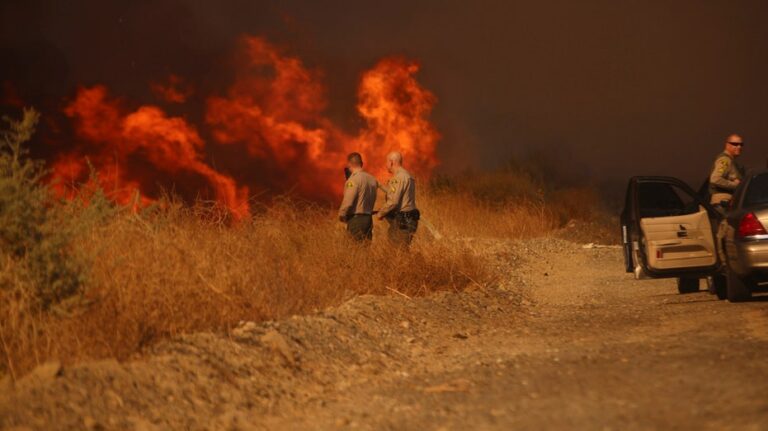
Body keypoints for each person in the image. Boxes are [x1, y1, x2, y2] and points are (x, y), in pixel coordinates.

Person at [377, 151, 420, 246]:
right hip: (410, 220)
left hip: (402, 223)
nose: (386, 165)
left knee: (397, 252)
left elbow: (393, 201)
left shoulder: (398, 178)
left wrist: (381, 213)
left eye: (387, 162)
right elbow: (397, 194)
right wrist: (380, 185)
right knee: (402, 250)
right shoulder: (407, 175)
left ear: (392, 162)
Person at [338, 152, 378, 241]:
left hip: (356, 221)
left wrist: (341, 215)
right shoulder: (372, 179)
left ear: (349, 164)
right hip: (368, 220)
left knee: (353, 250)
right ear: (362, 164)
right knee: (365, 249)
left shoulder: (353, 180)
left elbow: (348, 202)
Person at [709, 134, 745, 207]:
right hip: (723, 201)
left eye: (741, 144)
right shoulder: (725, 160)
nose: (739, 147)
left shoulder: (731, 161)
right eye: (735, 144)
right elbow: (715, 179)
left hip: (727, 200)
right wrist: (735, 185)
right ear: (727, 145)